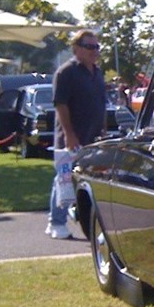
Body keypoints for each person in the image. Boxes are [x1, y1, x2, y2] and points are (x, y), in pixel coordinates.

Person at [47, 30, 106, 239]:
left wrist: (103, 129)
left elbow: (101, 104)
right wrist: (69, 134)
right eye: (90, 47)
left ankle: (66, 217)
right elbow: (60, 105)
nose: (94, 51)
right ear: (77, 49)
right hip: (71, 136)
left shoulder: (97, 73)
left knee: (81, 177)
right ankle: (57, 222)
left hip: (92, 136)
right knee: (64, 178)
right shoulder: (66, 72)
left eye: (96, 47)